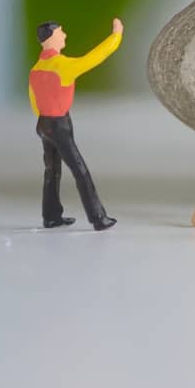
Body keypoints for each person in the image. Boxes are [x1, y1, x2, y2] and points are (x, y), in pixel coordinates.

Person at [29, 17, 123, 230]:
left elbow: (34, 99)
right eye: (61, 32)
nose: (65, 35)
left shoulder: (36, 68)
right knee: (80, 170)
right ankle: (98, 218)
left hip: (43, 123)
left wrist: (45, 118)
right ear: (52, 37)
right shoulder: (63, 66)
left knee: (51, 170)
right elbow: (94, 58)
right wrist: (115, 36)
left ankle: (51, 215)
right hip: (59, 124)